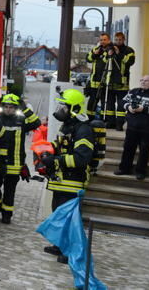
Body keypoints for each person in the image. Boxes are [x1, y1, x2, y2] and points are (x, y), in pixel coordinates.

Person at [39, 89, 96, 264]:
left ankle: (70, 251)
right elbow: (61, 147)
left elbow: (81, 158)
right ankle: (59, 245)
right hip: (62, 180)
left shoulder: (84, 130)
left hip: (73, 181)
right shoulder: (68, 126)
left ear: (74, 109)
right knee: (59, 215)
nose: (60, 110)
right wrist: (46, 152)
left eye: (64, 107)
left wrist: (55, 160)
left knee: (70, 219)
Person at [0, 94, 40, 224]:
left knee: (9, 191)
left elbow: (36, 123)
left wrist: (25, 108)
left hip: (15, 163)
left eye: (11, 107)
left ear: (16, 108)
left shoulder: (21, 121)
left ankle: (7, 215)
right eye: (6, 106)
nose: (8, 109)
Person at [115, 75, 149, 180]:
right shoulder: (134, 91)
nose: (143, 82)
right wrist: (128, 107)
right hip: (132, 127)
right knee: (128, 149)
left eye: (146, 81)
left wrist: (144, 109)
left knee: (144, 151)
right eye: (141, 80)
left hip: (148, 129)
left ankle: (141, 171)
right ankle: (124, 169)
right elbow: (122, 102)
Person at [107, 32, 136, 131]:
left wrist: (119, 53)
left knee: (121, 105)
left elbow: (130, 62)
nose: (118, 41)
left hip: (122, 83)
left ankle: (119, 124)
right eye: (116, 39)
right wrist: (109, 54)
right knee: (110, 105)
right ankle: (110, 122)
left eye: (120, 40)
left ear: (124, 40)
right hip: (110, 82)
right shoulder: (110, 49)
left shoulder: (129, 50)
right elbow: (104, 61)